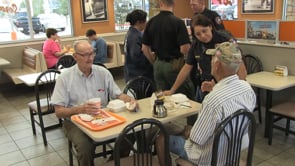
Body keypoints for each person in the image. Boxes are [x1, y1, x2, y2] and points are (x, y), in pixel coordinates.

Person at [156, 42, 256, 166]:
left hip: (209, 158)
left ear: (217, 65)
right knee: (180, 129)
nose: (211, 62)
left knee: (162, 138)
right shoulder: (247, 89)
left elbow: (197, 139)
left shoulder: (213, 100)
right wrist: (215, 88)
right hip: (234, 149)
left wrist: (186, 131)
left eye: (213, 59)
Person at [51, 40, 136, 166]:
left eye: (92, 54)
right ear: (75, 56)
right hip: (74, 121)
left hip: (103, 118)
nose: (89, 58)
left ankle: (112, 162)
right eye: (84, 55)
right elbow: (59, 112)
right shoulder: (65, 78)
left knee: (130, 132)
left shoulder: (103, 72)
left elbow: (117, 94)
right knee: (85, 146)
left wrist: (130, 100)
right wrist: (80, 109)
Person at [165, 14, 247, 102]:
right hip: (206, 85)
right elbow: (187, 67)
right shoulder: (196, 45)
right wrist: (172, 90)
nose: (203, 36)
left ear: (210, 27)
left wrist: (241, 89)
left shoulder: (224, 39)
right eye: (198, 34)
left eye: (205, 31)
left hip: (226, 87)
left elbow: (239, 64)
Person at [142, 0, 194, 99]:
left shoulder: (151, 22)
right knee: (184, 96)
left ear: (160, 3)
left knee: (162, 98)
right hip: (175, 64)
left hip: (158, 65)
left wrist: (154, 62)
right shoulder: (178, 22)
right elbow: (185, 49)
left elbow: (144, 48)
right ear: (174, 4)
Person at [124, 9, 153, 82]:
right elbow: (136, 57)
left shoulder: (131, 33)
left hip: (131, 72)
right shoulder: (135, 36)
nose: (146, 23)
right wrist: (151, 58)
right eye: (145, 21)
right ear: (138, 22)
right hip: (138, 74)